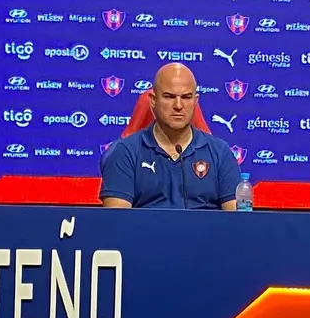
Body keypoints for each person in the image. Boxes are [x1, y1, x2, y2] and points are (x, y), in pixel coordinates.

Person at [100, 63, 242, 209]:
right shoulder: (125, 152)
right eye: (169, 96)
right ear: (153, 101)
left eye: (186, 97)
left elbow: (236, 223)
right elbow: (117, 223)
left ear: (195, 101)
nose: (178, 105)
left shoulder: (220, 153)